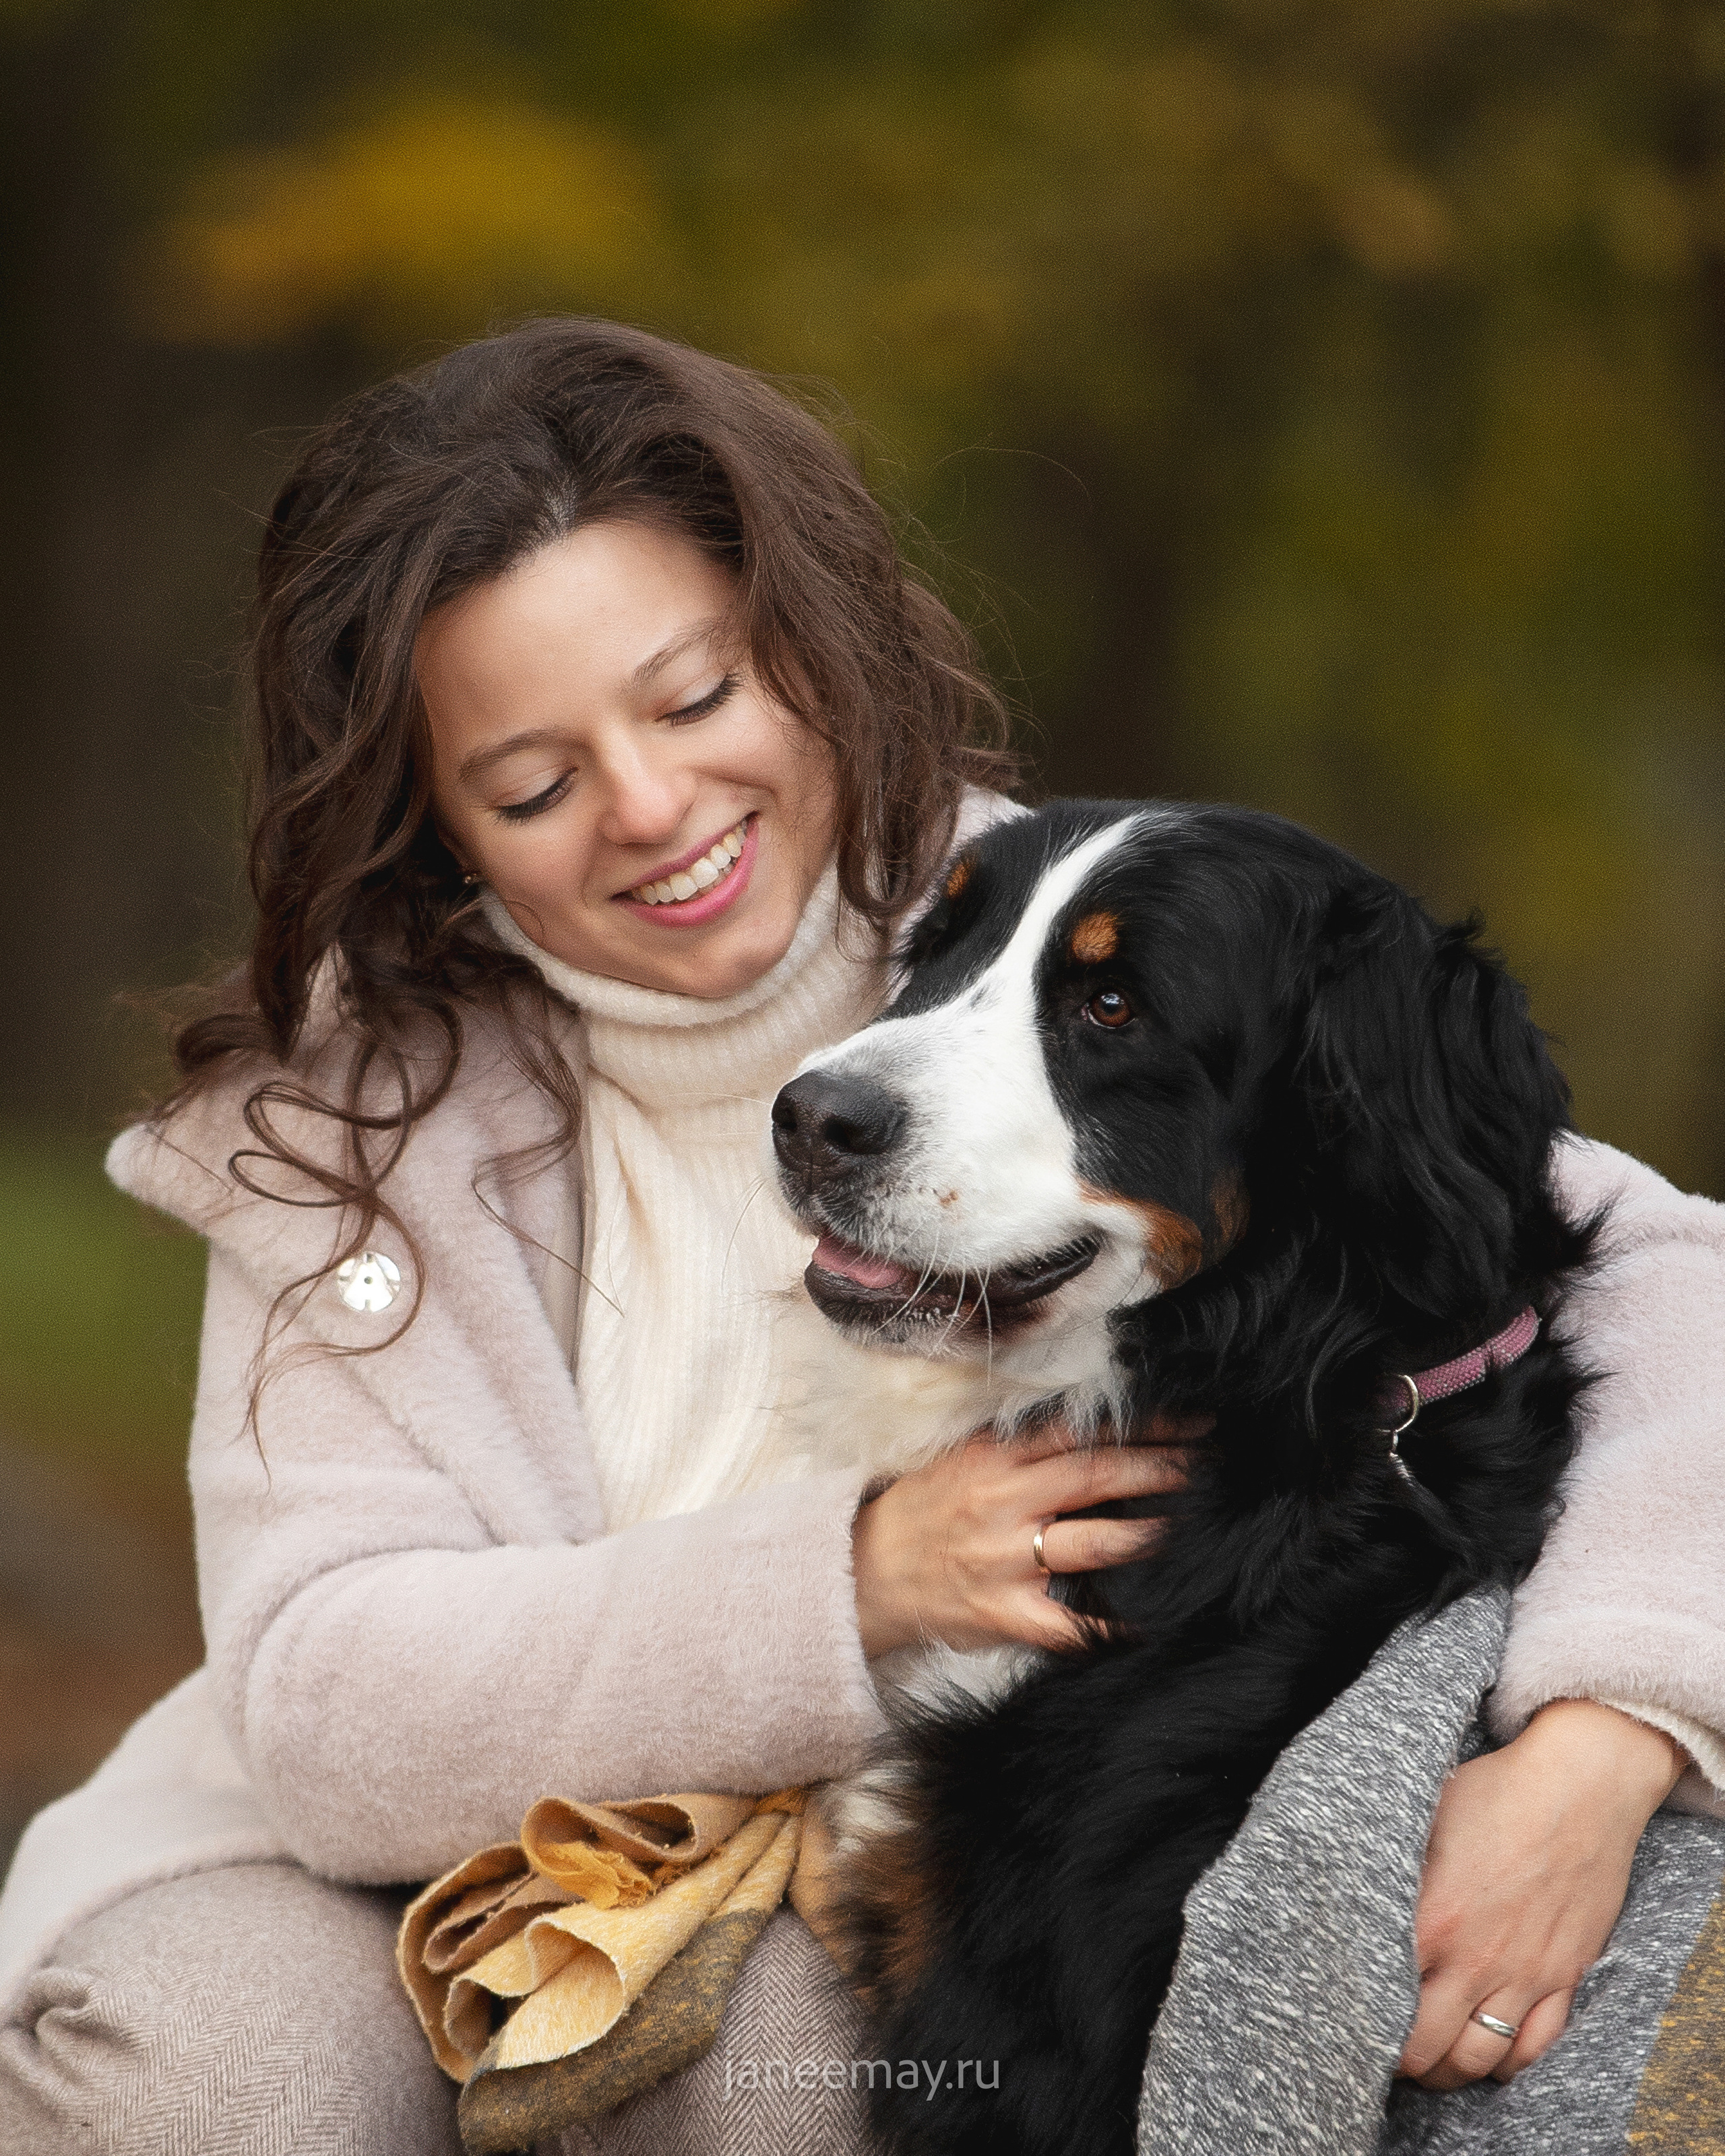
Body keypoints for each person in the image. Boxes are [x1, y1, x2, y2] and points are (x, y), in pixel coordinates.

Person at [0, 319, 1719, 2156]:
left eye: (691, 698)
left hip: (838, 1848)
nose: (652, 810)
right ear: (432, 827)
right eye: (532, 782)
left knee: (783, 2087)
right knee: (202, 2076)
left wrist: (1613, 1731)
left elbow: (1658, 1273)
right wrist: (857, 1581)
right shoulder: (352, 1135)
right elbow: (331, 1705)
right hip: (359, 1852)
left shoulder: (1042, 913)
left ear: (805, 652)